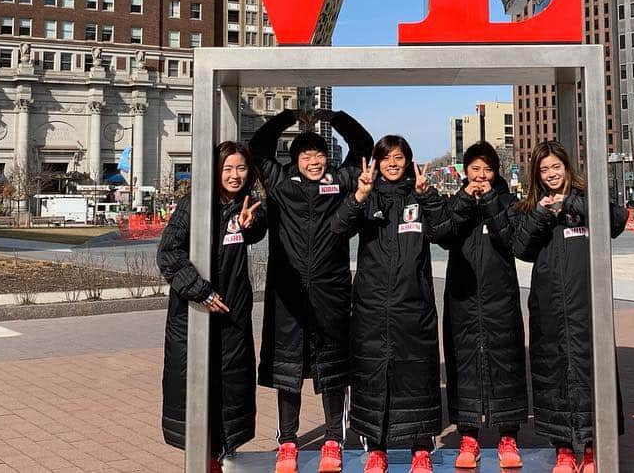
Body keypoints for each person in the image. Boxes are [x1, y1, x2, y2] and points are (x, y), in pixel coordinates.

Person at [249, 107, 374, 473]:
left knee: (333, 367)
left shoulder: (341, 181)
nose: (314, 161)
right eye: (307, 155)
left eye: (320, 154)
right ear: (295, 158)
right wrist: (287, 116)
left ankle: (334, 439)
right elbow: (258, 147)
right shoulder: (279, 183)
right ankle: (287, 440)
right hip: (287, 291)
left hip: (330, 290)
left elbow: (363, 145)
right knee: (288, 368)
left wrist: (335, 119)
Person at [331, 136, 446, 473]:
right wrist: (359, 196)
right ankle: (376, 449)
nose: (392, 164)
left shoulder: (419, 194)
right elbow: (338, 228)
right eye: (386, 158)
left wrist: (429, 196)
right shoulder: (368, 196)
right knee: (371, 375)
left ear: (408, 160)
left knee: (419, 375)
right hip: (371, 305)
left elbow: (443, 233)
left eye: (399, 158)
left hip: (414, 304)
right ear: (377, 163)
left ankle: (421, 449)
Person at [513, 140, 628, 473]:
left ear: (567, 167)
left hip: (586, 305)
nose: (550, 174)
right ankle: (563, 448)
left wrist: (571, 203)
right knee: (553, 375)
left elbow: (617, 220)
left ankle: (592, 449)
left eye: (555, 167)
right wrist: (542, 215)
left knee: (591, 373)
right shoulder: (532, 207)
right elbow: (521, 248)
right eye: (544, 169)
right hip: (548, 306)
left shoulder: (584, 198)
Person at [157, 141, 266, 473]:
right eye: (227, 169)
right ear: (215, 171)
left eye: (241, 168)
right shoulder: (195, 204)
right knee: (195, 383)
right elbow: (168, 253)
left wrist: (250, 224)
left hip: (232, 314)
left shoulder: (246, 205)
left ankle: (218, 454)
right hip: (194, 313)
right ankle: (200, 456)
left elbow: (254, 230)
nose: (235, 175)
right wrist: (200, 291)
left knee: (230, 383)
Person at [437, 142, 527, 469]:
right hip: (462, 297)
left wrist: (490, 201)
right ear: (465, 171)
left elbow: (512, 241)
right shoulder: (456, 201)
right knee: (463, 363)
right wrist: (465, 200)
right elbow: (444, 234)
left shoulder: (508, 201)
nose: (481, 175)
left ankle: (508, 435)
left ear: (496, 171)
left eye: (487, 169)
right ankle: (468, 435)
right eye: (475, 169)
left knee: (506, 362)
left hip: (500, 297)